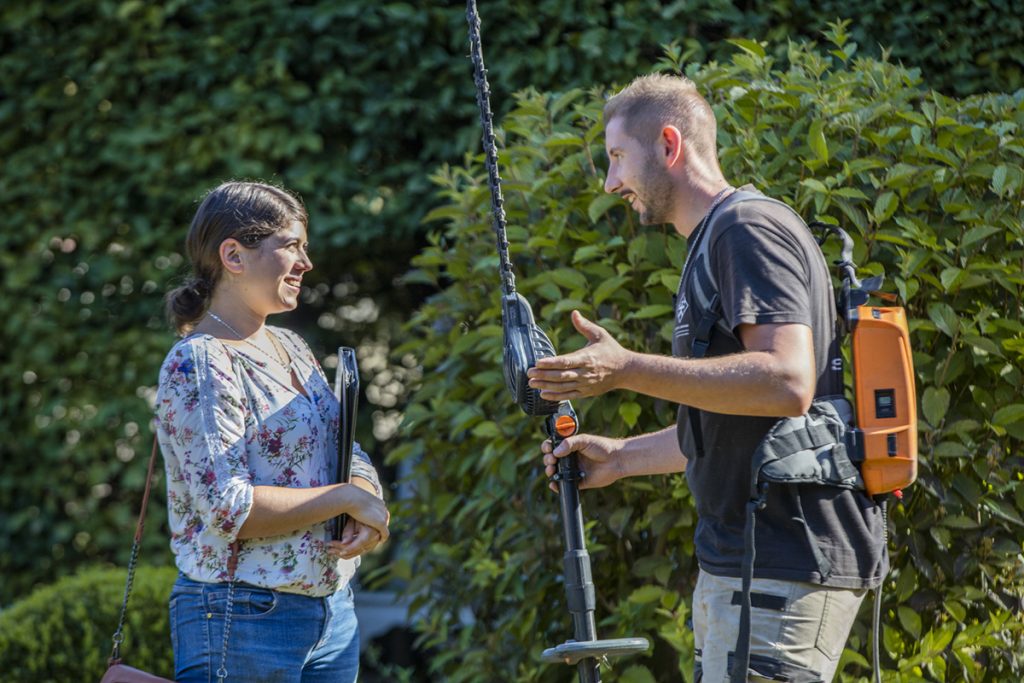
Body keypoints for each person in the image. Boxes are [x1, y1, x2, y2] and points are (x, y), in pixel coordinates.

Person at [529, 75, 887, 682]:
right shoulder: (713, 240)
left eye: (618, 158)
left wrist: (627, 369)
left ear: (669, 145)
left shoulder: (744, 228)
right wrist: (621, 458)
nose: (611, 182)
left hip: (781, 560)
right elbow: (746, 420)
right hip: (750, 563)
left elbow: (786, 383)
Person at [155, 180, 390, 682]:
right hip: (241, 618)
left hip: (331, 615)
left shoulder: (291, 346)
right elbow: (228, 508)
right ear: (234, 256)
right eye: (291, 246)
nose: (306, 262)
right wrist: (346, 497)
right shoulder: (201, 362)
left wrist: (366, 499)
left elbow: (343, 446)